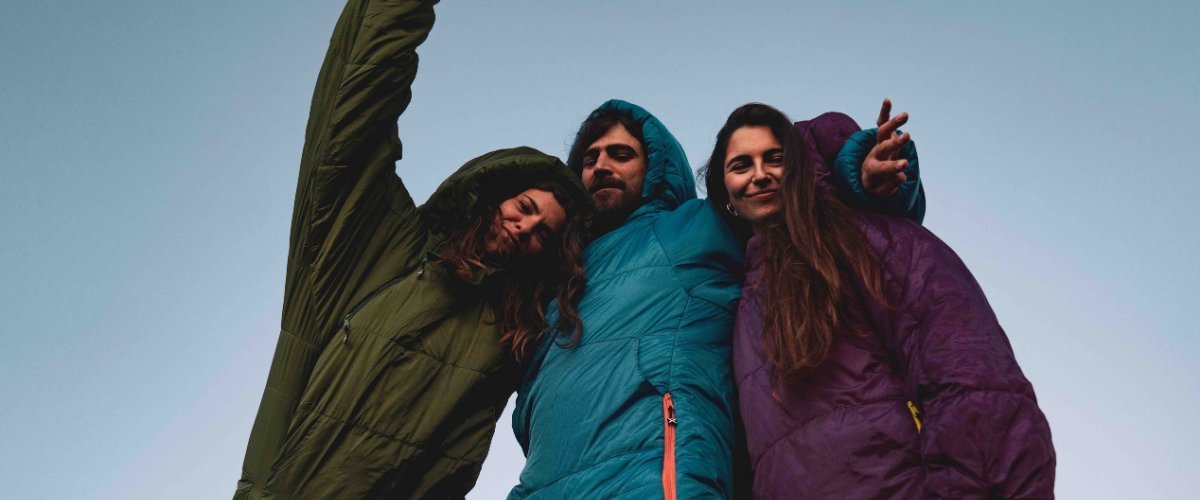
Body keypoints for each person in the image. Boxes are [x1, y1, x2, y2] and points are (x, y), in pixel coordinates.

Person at [233, 1, 592, 498]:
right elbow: (357, 111)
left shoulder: (510, 335)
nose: (525, 226)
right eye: (525, 205)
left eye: (543, 233)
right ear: (495, 194)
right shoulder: (380, 250)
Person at [508, 100, 923, 499]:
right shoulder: (558, 278)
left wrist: (862, 174)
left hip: (653, 471)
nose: (602, 166)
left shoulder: (693, 227)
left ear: (655, 167)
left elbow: (779, 169)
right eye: (590, 158)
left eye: (620, 154)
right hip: (540, 483)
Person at [703, 103, 1055, 498]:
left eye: (775, 158)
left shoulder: (864, 241)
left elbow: (969, 375)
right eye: (741, 165)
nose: (760, 174)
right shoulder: (737, 301)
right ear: (725, 190)